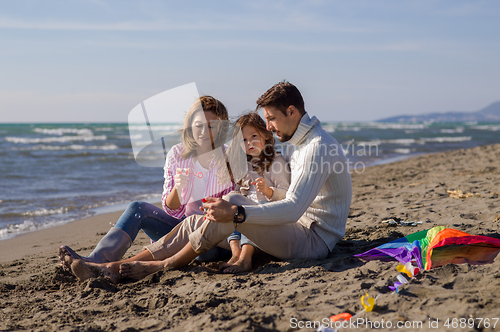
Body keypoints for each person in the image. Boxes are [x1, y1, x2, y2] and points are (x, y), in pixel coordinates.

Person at [60, 82, 352, 283]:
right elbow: (174, 207)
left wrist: (238, 213)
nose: (270, 127)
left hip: (314, 240)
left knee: (232, 206)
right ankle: (112, 266)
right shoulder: (302, 143)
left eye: (272, 119)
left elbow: (292, 209)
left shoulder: (316, 147)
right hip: (296, 230)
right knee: (196, 220)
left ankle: (159, 265)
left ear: (292, 112)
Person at [58, 95, 234, 266]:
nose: (203, 132)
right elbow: (172, 209)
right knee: (137, 208)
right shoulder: (177, 154)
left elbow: (236, 205)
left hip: (213, 243)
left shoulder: (230, 157)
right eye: (199, 125)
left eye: (211, 126)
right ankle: (98, 259)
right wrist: (179, 188)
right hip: (179, 233)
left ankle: (111, 266)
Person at [220, 112, 290, 273]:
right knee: (229, 202)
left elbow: (286, 193)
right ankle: (235, 252)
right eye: (244, 140)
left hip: (267, 214)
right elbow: (239, 192)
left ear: (266, 135)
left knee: (253, 209)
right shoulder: (244, 164)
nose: (249, 142)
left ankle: (246, 257)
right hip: (245, 215)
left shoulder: (276, 162)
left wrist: (268, 191)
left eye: (253, 136)